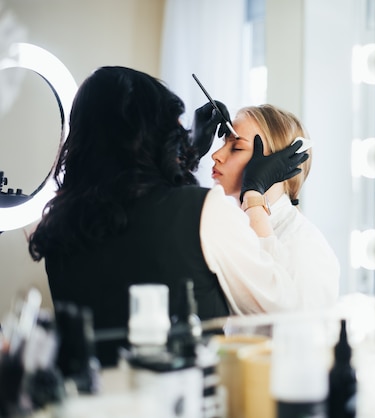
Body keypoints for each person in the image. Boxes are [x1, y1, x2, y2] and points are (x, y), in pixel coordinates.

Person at [27, 66, 307, 366]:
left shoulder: (58, 227)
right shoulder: (204, 212)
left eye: (235, 145)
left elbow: (138, 201)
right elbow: (281, 305)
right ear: (153, 133)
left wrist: (185, 159)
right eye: (172, 126)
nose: (216, 154)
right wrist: (253, 194)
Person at [205, 104, 340, 315]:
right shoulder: (235, 228)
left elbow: (292, 331)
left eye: (236, 148)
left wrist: (252, 196)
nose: (216, 155)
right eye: (224, 144)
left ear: (277, 165)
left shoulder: (303, 248)